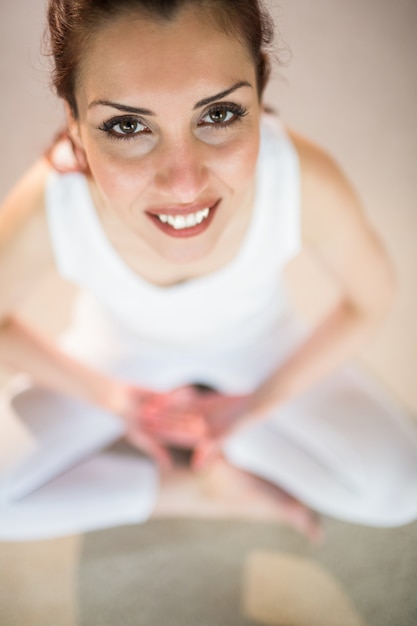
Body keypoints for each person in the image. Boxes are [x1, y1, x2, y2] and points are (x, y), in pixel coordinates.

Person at [1, 0, 417, 539]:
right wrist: (111, 398)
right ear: (75, 124)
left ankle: (227, 441)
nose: (183, 184)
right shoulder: (52, 202)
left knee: (399, 491)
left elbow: (371, 299)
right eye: (127, 125)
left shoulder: (300, 179)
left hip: (263, 350)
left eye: (218, 114)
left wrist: (257, 405)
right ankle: (199, 490)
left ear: (261, 94)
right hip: (116, 360)